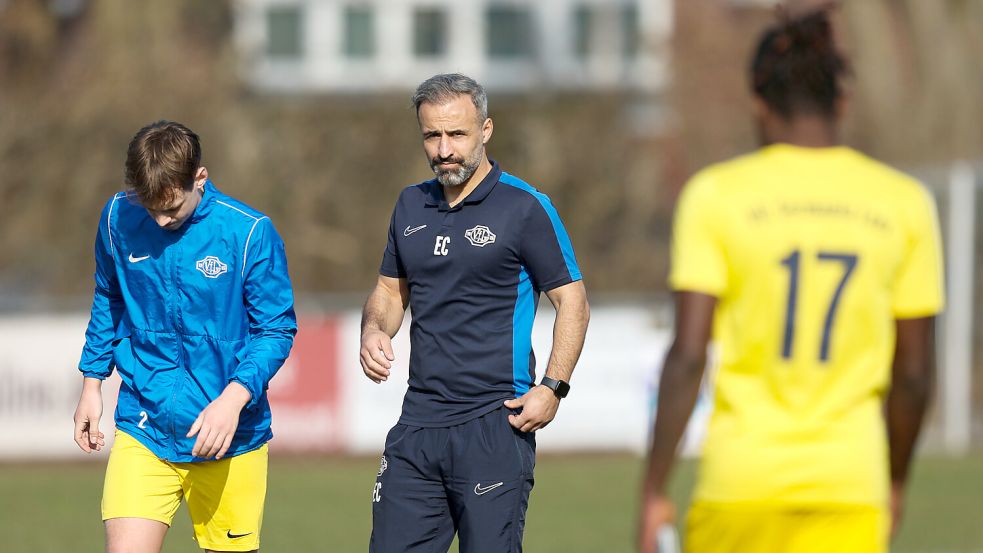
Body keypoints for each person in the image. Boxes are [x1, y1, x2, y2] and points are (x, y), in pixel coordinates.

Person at [638, 8, 944, 553]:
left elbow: (688, 355)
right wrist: (894, 479)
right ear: (843, 99)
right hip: (851, 485)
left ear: (758, 99)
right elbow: (915, 373)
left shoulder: (715, 196)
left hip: (740, 485)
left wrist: (655, 488)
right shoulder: (904, 204)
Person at [360, 73, 590, 553]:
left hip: (493, 426)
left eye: (457, 134)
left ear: (485, 130)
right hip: (417, 427)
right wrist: (373, 329)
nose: (444, 149)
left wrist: (552, 388)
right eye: (432, 135)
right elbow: (388, 290)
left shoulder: (525, 207)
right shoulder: (409, 204)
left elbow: (573, 302)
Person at [72, 120, 297, 553]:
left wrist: (233, 400)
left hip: (230, 439)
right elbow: (108, 296)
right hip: (144, 425)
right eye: (149, 206)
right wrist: (92, 382)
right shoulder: (119, 216)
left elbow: (276, 330)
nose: (159, 219)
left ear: (200, 178)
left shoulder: (249, 233)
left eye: (172, 209)